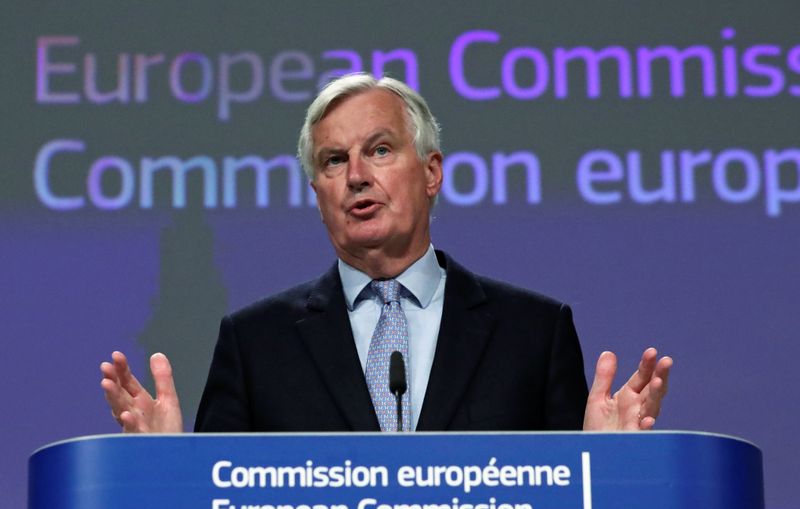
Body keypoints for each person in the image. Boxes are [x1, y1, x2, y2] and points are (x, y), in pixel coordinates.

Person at [101, 73, 671, 434]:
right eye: (332, 161)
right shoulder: (255, 344)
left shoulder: (534, 333)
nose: (355, 176)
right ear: (317, 196)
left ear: (430, 173)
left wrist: (604, 466)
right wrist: (169, 472)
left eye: (379, 149)